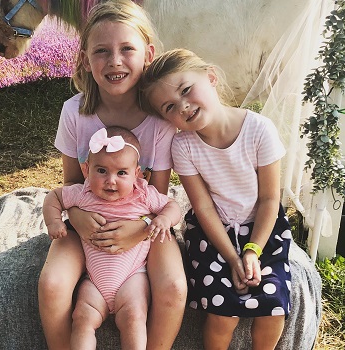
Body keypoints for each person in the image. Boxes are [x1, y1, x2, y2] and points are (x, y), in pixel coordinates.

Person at [37, 1, 187, 349]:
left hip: (144, 225)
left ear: (148, 54)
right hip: (85, 219)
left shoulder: (160, 122)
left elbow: (158, 198)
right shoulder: (74, 113)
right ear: (86, 60)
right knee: (52, 284)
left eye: (127, 49)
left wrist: (139, 231)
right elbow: (72, 183)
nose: (115, 61)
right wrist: (76, 217)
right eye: (102, 51)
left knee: (174, 288)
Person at [141, 48, 293, 350]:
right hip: (212, 235)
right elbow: (204, 207)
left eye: (186, 90)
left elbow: (268, 200)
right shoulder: (183, 146)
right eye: (170, 107)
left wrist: (251, 252)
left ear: (210, 77)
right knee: (223, 315)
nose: (183, 106)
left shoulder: (260, 130)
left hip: (264, 230)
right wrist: (232, 257)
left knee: (273, 310)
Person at [43, 126, 181, 349]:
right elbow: (54, 197)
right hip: (94, 281)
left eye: (122, 173)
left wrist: (164, 219)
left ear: (137, 174)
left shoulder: (143, 194)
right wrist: (54, 221)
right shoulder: (84, 192)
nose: (111, 180)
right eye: (102, 171)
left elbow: (172, 206)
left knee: (135, 319)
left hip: (133, 277)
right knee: (82, 319)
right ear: (86, 170)